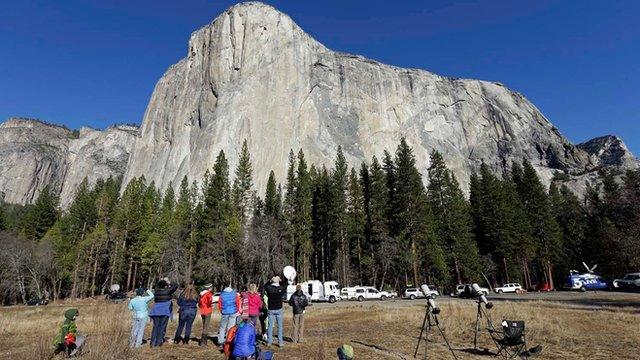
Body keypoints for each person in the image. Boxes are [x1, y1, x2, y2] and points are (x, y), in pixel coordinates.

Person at [148, 277, 178, 347]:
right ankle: (158, 343)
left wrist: (161, 281)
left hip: (155, 311)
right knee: (162, 327)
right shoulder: (168, 291)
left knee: (155, 327)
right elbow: (176, 286)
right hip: (164, 311)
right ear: (165, 285)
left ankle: (152, 342)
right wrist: (168, 282)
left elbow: (157, 286)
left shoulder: (156, 291)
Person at [264, 276, 286, 347]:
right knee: (279, 326)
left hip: (271, 309)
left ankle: (269, 342)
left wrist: (270, 280)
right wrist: (280, 280)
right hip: (279, 309)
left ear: (272, 281)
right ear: (278, 281)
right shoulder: (281, 288)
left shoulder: (269, 288)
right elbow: (285, 285)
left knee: (270, 326)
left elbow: (265, 286)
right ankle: (280, 342)